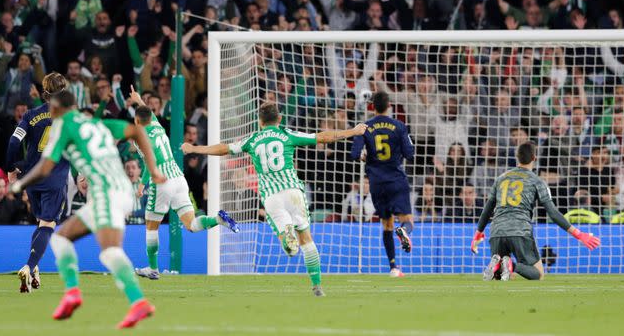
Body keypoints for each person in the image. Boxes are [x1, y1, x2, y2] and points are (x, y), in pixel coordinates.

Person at [9, 90, 165, 329]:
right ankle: (72, 293)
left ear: (59, 109)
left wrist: (19, 184)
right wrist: (153, 170)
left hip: (107, 191)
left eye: (52, 109)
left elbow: (45, 167)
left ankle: (138, 302)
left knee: (109, 251)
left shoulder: (64, 127)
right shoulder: (96, 123)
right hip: (118, 189)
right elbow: (136, 131)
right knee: (61, 238)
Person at [182, 101, 367, 297]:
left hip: (271, 196)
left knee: (290, 249)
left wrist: (196, 149)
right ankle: (317, 286)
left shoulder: (252, 140)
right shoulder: (287, 134)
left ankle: (286, 236)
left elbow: (224, 149)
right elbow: (323, 137)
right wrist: (353, 131)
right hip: (293, 192)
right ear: (279, 118)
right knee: (306, 238)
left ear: (259, 121)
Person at [126, 86, 238, 281]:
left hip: (162, 182)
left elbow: (149, 162)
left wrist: (143, 184)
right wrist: (138, 100)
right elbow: (148, 113)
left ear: (136, 122)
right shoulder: (157, 126)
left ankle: (153, 268)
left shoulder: (141, 138)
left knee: (151, 226)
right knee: (191, 224)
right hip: (179, 178)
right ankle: (218, 220)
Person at [470, 142, 601, 281]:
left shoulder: (500, 179)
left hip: (497, 230)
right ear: (534, 157)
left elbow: (487, 209)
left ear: (517, 157)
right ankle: (511, 265)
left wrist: (478, 233)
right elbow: (553, 213)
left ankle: (502, 264)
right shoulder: (537, 181)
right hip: (519, 229)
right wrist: (579, 234)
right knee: (538, 274)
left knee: (501, 275)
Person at [6, 72, 69, 293]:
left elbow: (14, 142)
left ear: (44, 93)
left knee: (41, 223)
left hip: (32, 179)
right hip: (55, 179)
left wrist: (11, 169)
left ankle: (35, 269)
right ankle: (29, 266)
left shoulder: (30, 115)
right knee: (48, 225)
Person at [350, 91, 415, 278]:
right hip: (396, 179)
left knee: (386, 224)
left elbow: (354, 154)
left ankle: (393, 268)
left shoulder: (365, 127)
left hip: (377, 183)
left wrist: (365, 155)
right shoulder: (399, 126)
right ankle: (404, 230)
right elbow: (409, 153)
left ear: (373, 106)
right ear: (389, 106)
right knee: (407, 220)